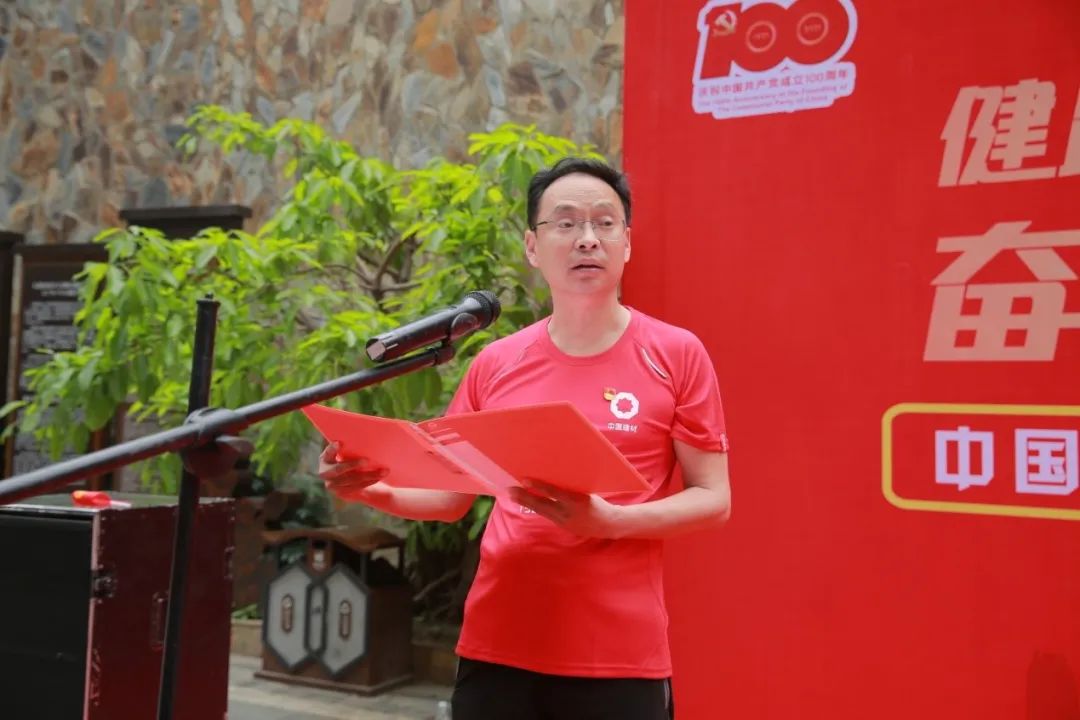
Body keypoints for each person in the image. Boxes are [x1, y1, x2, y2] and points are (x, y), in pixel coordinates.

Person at [319, 157, 732, 720]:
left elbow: (713, 498)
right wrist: (370, 489)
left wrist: (610, 521)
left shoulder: (676, 354)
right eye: (566, 222)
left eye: (604, 222)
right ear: (533, 247)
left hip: (617, 654)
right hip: (498, 645)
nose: (587, 238)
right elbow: (450, 497)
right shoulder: (496, 362)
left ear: (628, 243)